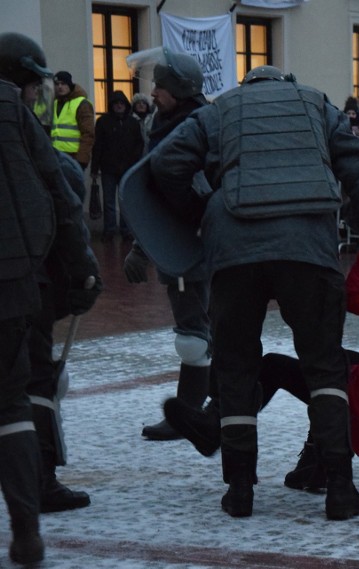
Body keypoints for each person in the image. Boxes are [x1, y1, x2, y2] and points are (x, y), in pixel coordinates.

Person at [146, 65, 359, 520]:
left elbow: (167, 162)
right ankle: (340, 486)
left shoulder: (220, 110)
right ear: (287, 85)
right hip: (308, 248)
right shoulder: (316, 104)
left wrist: (201, 211)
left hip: (234, 249)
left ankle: (239, 490)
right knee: (324, 368)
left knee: (237, 368)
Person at [165, 219, 359, 490]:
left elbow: (355, 297)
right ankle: (315, 463)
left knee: (285, 368)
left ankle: (214, 429)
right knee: (328, 361)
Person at [0, 31, 102, 564]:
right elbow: (62, 200)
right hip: (15, 279)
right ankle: (27, 526)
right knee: (14, 397)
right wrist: (83, 272)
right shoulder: (17, 119)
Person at [123, 47, 212, 440]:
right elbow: (152, 192)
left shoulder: (195, 126)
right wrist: (143, 245)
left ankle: (189, 414)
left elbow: (189, 196)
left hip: (194, 243)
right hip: (182, 241)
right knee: (203, 330)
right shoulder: (167, 122)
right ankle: (214, 408)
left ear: (179, 89)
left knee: (195, 334)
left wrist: (147, 246)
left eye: (161, 85)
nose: (153, 92)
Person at [90, 90, 145, 242]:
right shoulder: (104, 122)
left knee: (120, 201)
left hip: (125, 167)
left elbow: (139, 144)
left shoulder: (132, 123)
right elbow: (98, 146)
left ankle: (122, 229)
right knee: (111, 201)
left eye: (121, 103)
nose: (119, 106)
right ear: (112, 105)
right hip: (110, 168)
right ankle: (111, 229)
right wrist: (95, 168)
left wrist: (134, 162)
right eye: (116, 104)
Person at [51, 71, 95, 172]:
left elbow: (88, 134)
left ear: (70, 85)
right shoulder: (54, 103)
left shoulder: (81, 104)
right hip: (55, 156)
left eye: (63, 83)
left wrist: (81, 160)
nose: (60, 87)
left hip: (73, 157)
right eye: (57, 84)